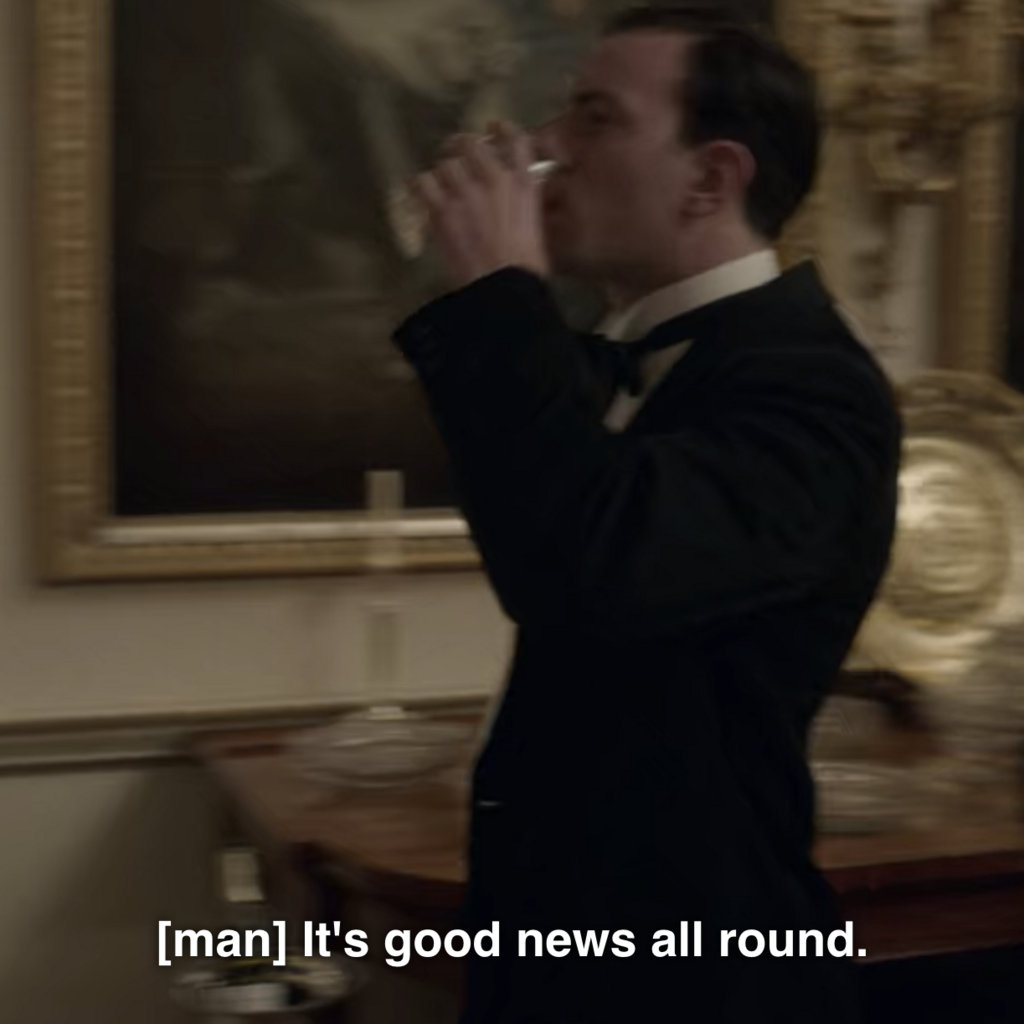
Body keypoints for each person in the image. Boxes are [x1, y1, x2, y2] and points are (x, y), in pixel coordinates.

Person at [391, 5, 901, 1023]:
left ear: (711, 179)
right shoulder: (630, 356)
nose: (545, 146)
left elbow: (588, 564)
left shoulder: (815, 388)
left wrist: (500, 295)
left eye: (594, 118)